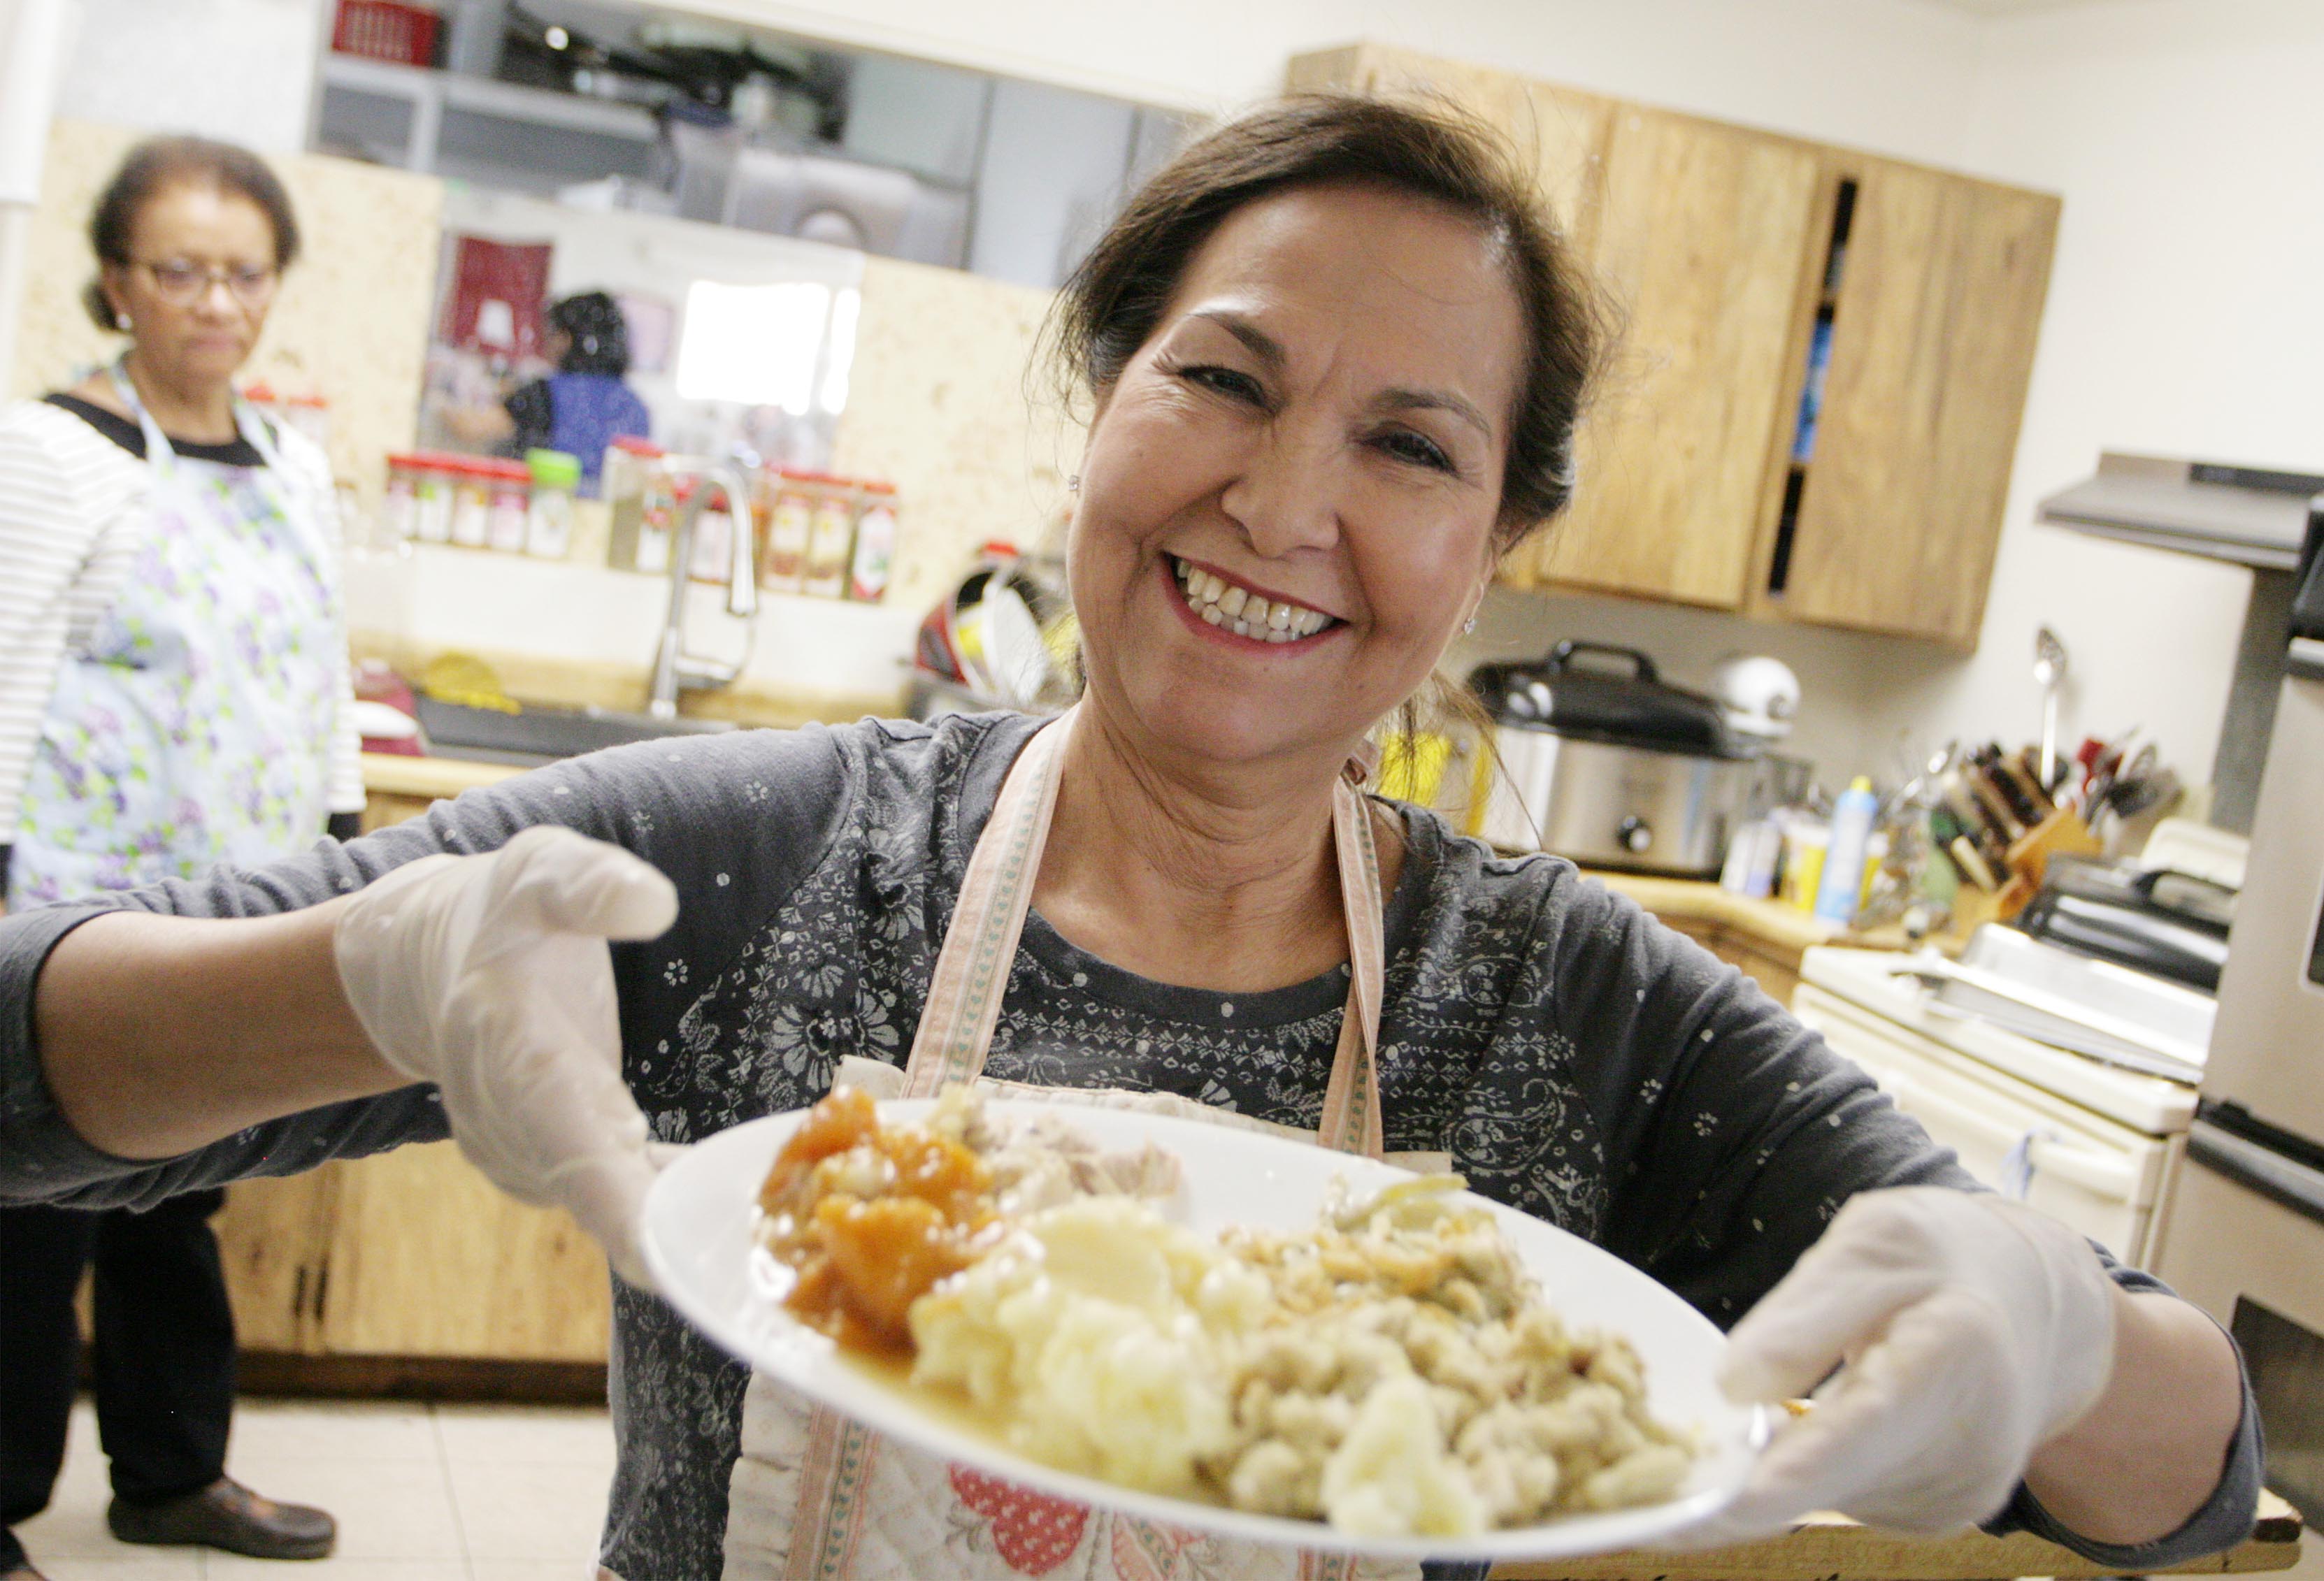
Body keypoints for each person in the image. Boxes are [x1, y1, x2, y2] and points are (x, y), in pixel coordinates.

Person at [0, 99, 2254, 1581]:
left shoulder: (1569, 1012)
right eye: (1225, 381)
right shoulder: (757, 864)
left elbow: (2202, 1472)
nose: (1280, 504)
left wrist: (2065, 1335)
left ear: (1496, 545)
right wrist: (362, 972)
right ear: (1104, 395)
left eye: (1408, 445)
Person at [0, 136, 351, 1578]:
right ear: (117, 281)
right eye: (182, 271)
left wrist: (340, 840)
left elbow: (320, 669)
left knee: (181, 1188)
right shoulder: (51, 451)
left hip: (232, 904)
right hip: (69, 904)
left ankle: (171, 1474)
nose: (217, 302)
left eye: (245, 274)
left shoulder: (293, 464)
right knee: (29, 1213)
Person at [447, 289, 649, 495]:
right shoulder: (637, 407)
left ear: (565, 340)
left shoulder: (548, 393)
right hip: (605, 513)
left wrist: (442, 399)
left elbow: (470, 427)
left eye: (552, 334)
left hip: (549, 506)